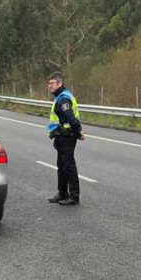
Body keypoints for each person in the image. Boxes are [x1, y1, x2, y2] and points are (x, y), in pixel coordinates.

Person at [46, 72, 84, 206]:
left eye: (52, 83)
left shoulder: (63, 99)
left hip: (67, 136)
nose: (49, 86)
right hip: (61, 136)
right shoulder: (59, 97)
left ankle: (74, 196)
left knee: (69, 166)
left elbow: (71, 118)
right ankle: (62, 193)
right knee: (61, 166)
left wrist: (78, 132)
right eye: (49, 83)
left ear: (59, 83)